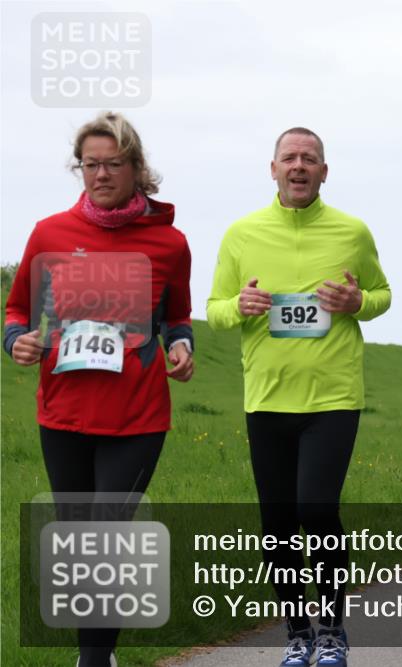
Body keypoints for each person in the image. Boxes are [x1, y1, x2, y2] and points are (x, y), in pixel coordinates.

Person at [4, 111, 194, 667]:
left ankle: (93, 658)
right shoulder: (50, 233)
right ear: (79, 168)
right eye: (91, 164)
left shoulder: (169, 242)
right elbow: (18, 308)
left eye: (113, 164)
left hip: (136, 417)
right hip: (62, 414)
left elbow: (177, 317)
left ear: (137, 168)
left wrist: (183, 347)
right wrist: (15, 339)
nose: (101, 174)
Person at [207, 127, 391, 667]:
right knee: (278, 522)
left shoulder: (352, 231)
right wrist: (238, 305)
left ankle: (332, 631)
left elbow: (382, 295)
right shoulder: (242, 233)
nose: (299, 166)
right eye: (290, 157)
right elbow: (215, 308)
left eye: (310, 158)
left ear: (324, 172)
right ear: (273, 169)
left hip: (333, 397)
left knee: (317, 507)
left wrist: (358, 299)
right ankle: (296, 632)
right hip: (266, 398)